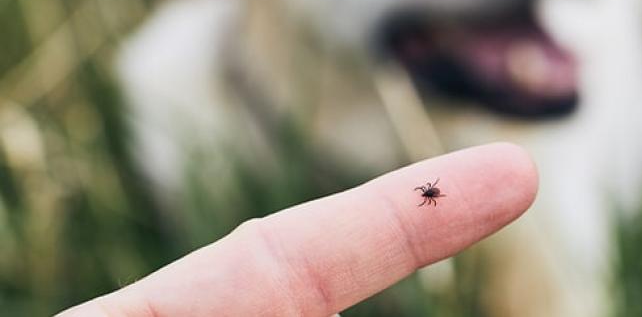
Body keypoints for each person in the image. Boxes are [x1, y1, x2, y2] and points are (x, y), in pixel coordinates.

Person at [59, 143, 538, 316]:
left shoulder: (428, 192)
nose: (430, 194)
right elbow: (429, 192)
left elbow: (428, 192)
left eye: (430, 193)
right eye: (431, 193)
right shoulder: (428, 192)